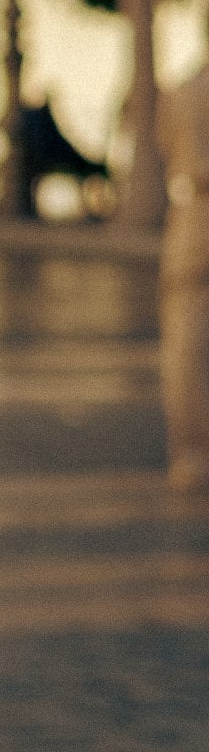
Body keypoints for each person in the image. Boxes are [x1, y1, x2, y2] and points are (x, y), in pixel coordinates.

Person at [160, 51, 209, 490]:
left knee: (187, 345)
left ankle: (191, 455)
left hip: (192, 215)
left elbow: (164, 147)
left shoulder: (183, 90)